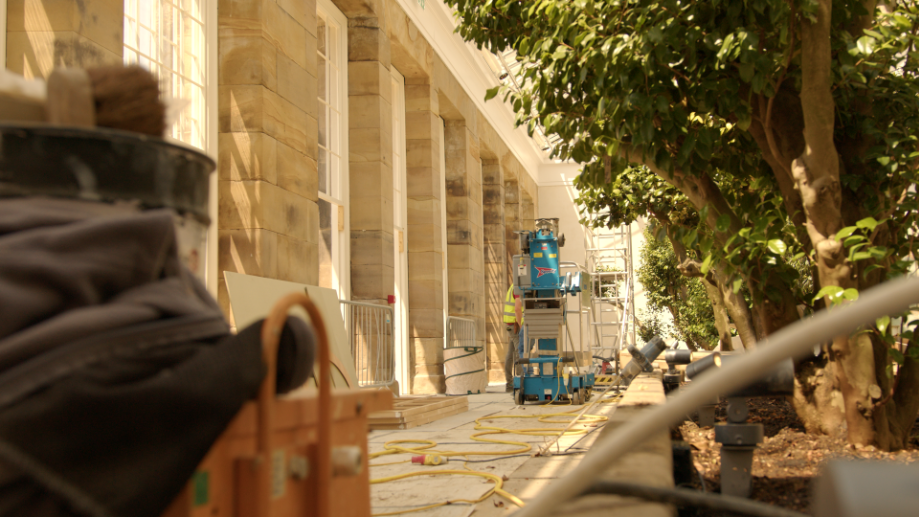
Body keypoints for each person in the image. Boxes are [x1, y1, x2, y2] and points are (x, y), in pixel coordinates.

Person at [503, 284, 523, 392]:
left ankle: (509, 382)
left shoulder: (512, 285)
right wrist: (521, 325)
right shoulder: (518, 286)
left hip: (510, 324)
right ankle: (520, 382)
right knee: (520, 351)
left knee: (510, 354)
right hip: (515, 325)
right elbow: (517, 309)